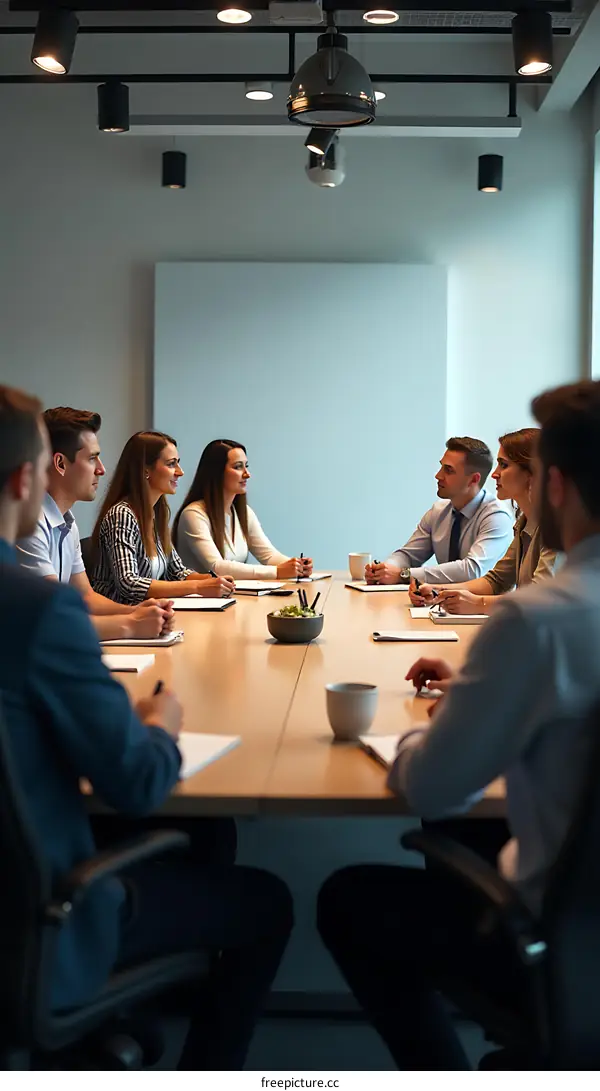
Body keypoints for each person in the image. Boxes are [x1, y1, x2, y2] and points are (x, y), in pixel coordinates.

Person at [0, 384, 293, 1069]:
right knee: (267, 901)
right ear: (26, 478)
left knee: (205, 831)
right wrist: (160, 723)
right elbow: (136, 780)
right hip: (46, 911)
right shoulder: (37, 610)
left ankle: (121, 1019)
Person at [318, 379, 600, 1070]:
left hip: (557, 939)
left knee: (348, 900)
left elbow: (432, 787)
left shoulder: (541, 620)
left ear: (554, 485)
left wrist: (454, 716)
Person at [16, 407, 173, 643]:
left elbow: (86, 597)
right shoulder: (29, 524)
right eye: (91, 458)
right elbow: (51, 617)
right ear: (60, 463)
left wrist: (142, 612)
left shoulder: (66, 522)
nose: (101, 469)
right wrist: (131, 624)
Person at [410, 428, 557, 614]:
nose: (494, 474)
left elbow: (541, 599)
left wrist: (478, 604)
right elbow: (496, 581)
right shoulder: (524, 522)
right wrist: (439, 591)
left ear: (532, 473)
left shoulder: (558, 528)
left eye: (504, 465)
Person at [91, 431, 235, 605]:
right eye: (171, 464)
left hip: (151, 616)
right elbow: (129, 584)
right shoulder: (122, 515)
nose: (180, 472)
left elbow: (178, 572)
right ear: (145, 470)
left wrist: (213, 581)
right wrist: (198, 587)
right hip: (121, 619)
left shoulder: (156, 513)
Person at [365, 436, 513, 586]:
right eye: (441, 467)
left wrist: (404, 574)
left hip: (482, 607)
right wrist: (385, 569)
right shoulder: (439, 511)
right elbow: (408, 555)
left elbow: (472, 570)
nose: (438, 476)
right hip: (442, 602)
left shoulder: (497, 516)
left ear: (473, 480)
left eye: (448, 470)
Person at [174, 439, 313, 581]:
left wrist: (297, 566)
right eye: (238, 467)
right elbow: (217, 567)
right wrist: (278, 572)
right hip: (198, 600)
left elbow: (268, 555)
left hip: (228, 596)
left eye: (246, 466)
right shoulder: (193, 514)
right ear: (217, 472)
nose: (247, 474)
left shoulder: (244, 512)